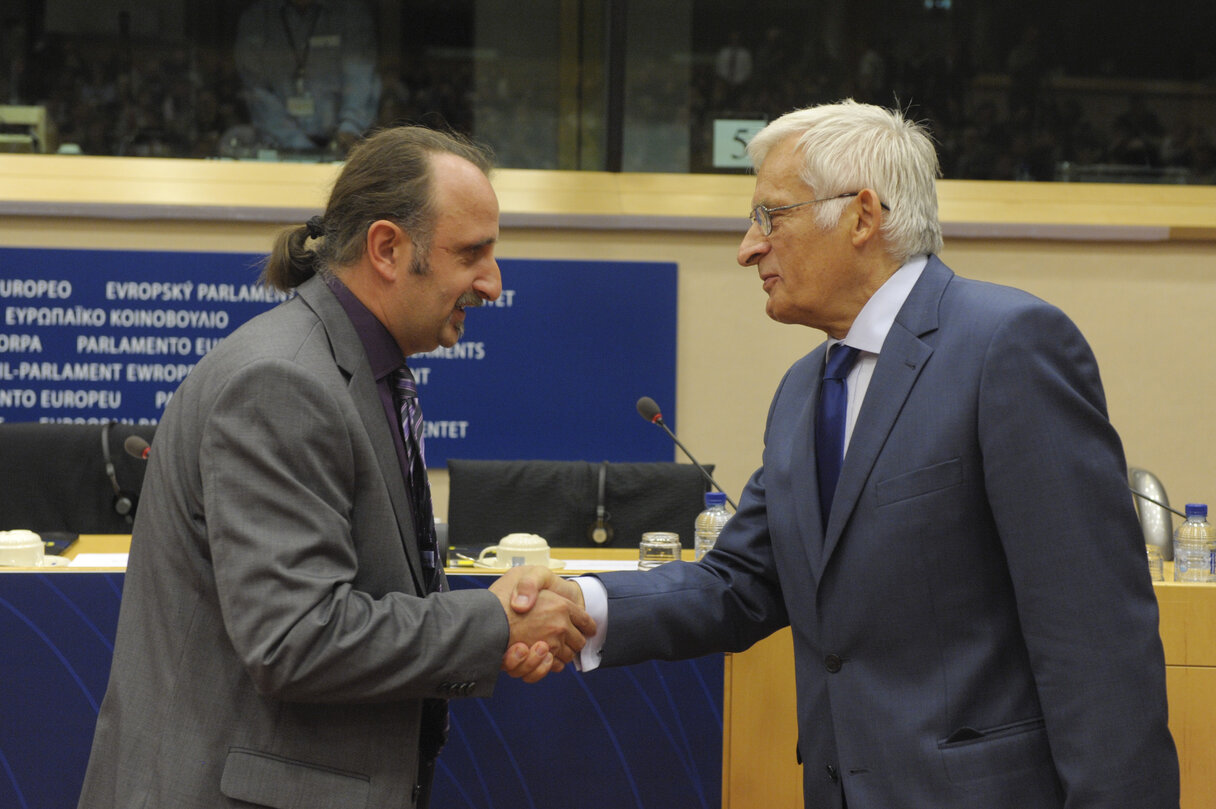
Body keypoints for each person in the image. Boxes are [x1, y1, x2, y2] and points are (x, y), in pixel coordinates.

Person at [550, 100, 1180, 808]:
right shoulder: (801, 391)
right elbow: (741, 580)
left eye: (770, 216)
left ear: (862, 216)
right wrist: (584, 603)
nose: (748, 247)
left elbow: (1096, 641)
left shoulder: (1009, 347)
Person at [76, 126, 592, 809]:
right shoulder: (282, 382)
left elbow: (361, 582)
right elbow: (294, 636)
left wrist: (492, 614)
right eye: (472, 254)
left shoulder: (355, 369)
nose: (493, 283)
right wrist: (492, 623)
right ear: (386, 248)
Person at [234, 0, 381, 155]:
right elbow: (257, 90)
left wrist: (350, 128)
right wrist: (297, 144)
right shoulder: (257, 16)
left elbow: (360, 77)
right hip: (277, 148)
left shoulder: (351, 12)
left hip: (341, 147)